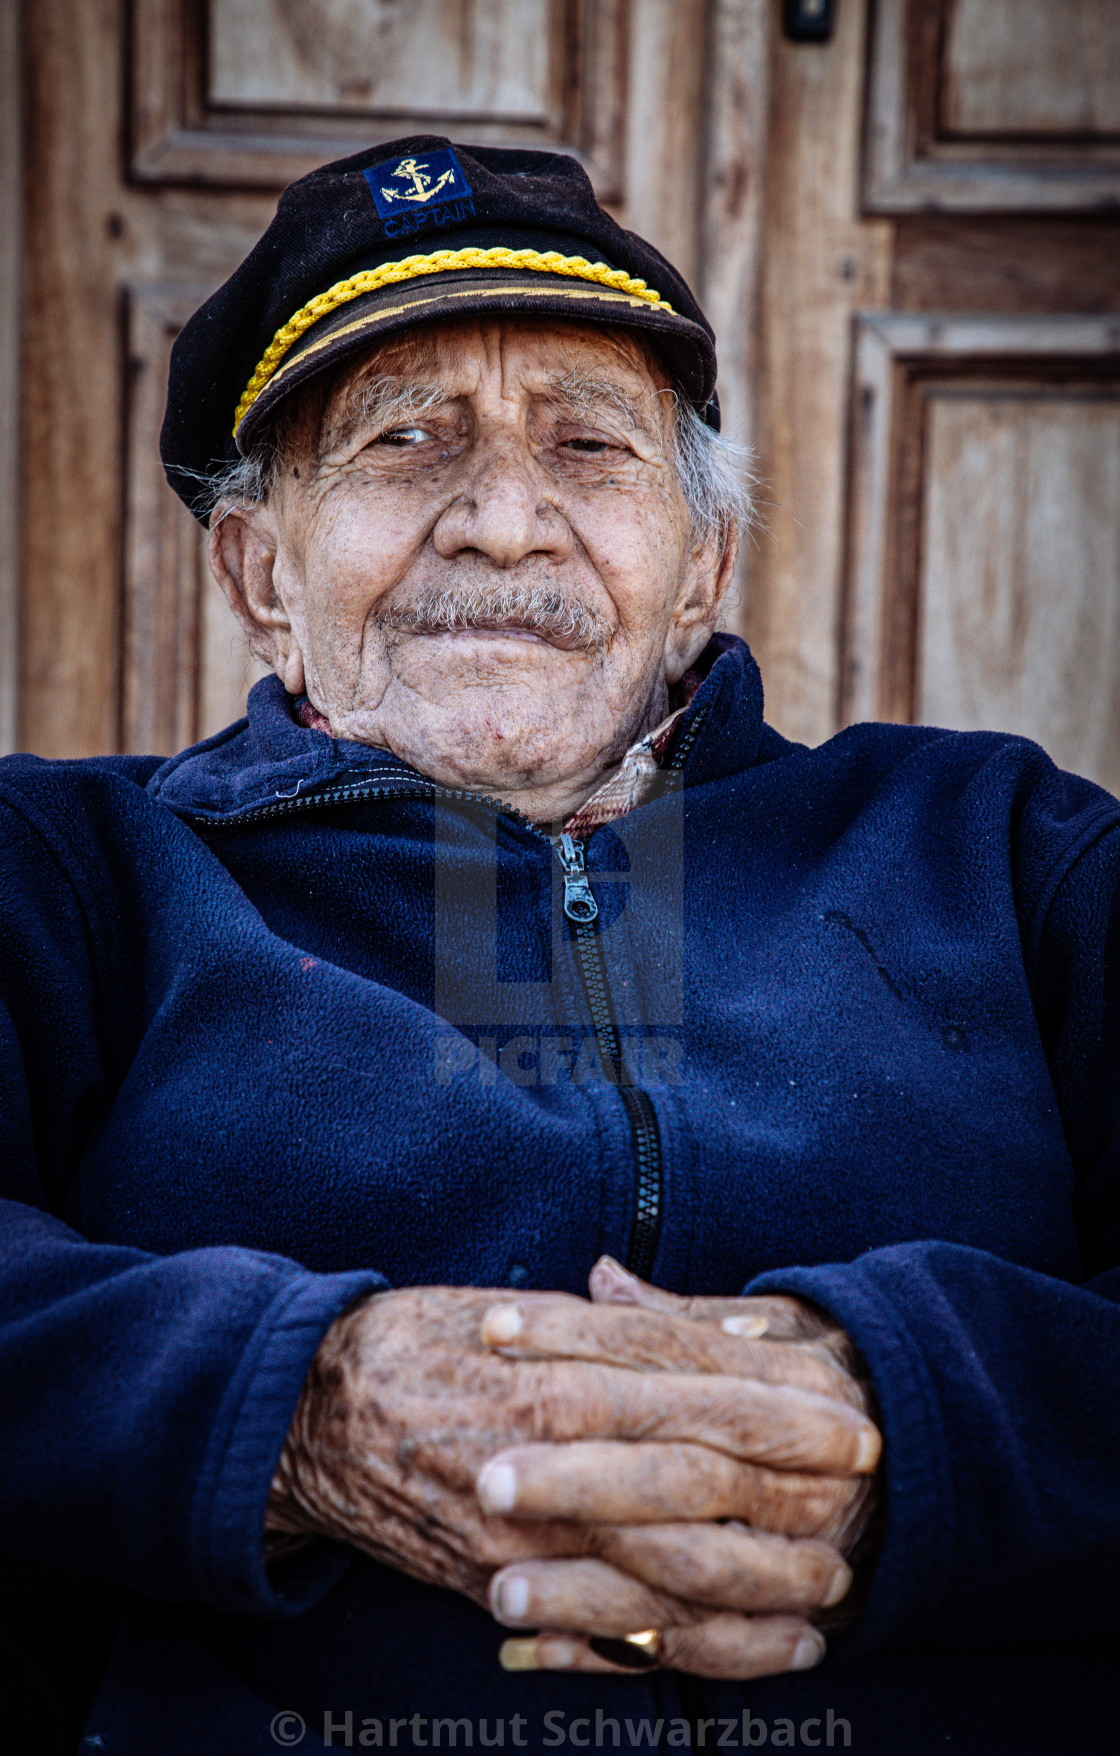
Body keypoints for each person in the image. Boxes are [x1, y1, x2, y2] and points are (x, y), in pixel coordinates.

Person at [0, 136, 1115, 1756]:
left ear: (700, 572)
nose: (503, 523)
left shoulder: (1001, 848)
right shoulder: (74, 872)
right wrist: (292, 1403)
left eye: (589, 447)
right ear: (261, 575)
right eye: (401, 445)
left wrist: (919, 1411)